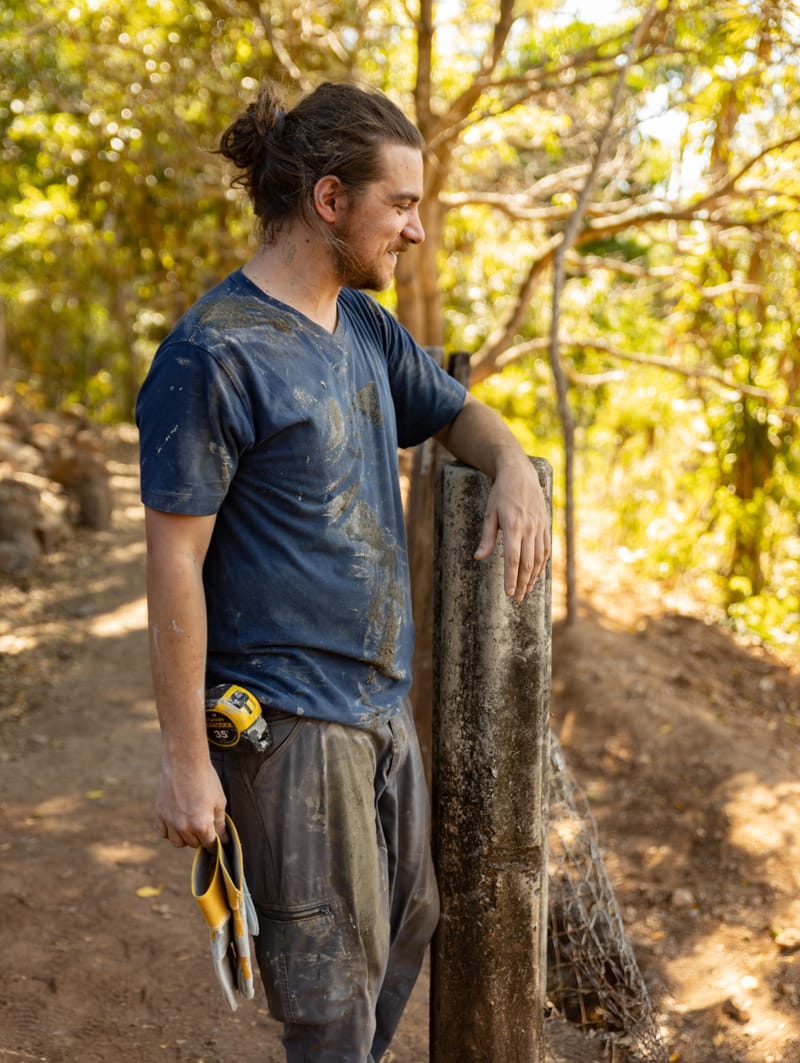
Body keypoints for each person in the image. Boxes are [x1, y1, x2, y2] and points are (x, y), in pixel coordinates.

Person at [136, 79, 550, 1063]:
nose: (412, 231)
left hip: (376, 706)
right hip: (286, 726)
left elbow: (457, 413)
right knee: (330, 993)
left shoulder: (360, 332)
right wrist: (186, 760)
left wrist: (515, 473)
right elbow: (173, 569)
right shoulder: (213, 354)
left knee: (406, 923)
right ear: (329, 201)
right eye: (399, 204)